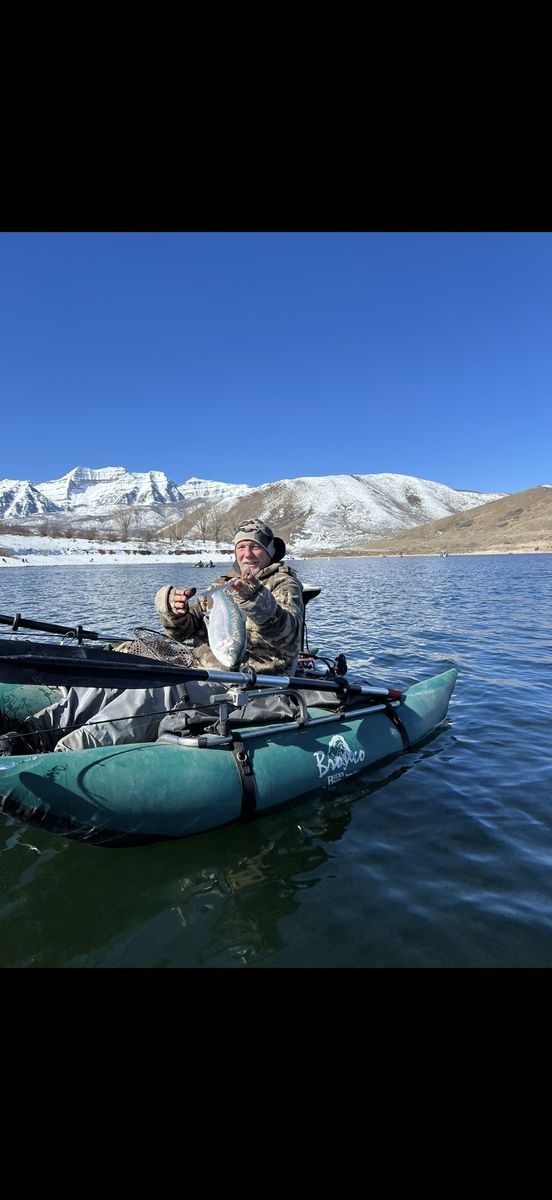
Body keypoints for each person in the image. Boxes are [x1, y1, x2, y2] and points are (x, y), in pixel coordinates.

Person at [0, 520, 304, 755]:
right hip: (202, 669)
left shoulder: (284, 584)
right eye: (241, 547)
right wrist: (173, 608)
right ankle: (32, 733)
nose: (247, 554)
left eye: (255, 547)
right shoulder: (222, 585)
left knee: (158, 690)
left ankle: (68, 752)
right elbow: (186, 630)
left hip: (248, 682)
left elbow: (287, 632)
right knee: (119, 675)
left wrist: (255, 598)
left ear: (269, 551)